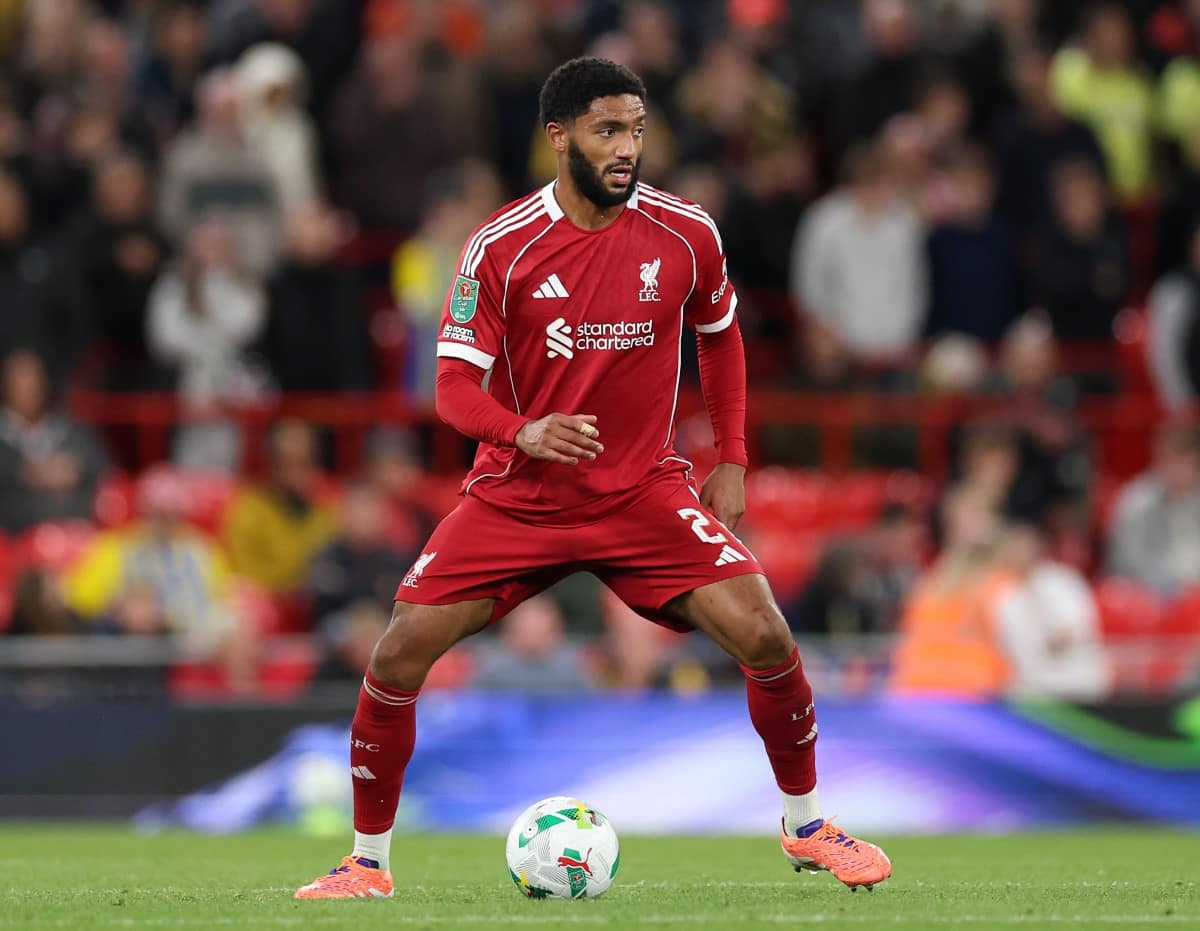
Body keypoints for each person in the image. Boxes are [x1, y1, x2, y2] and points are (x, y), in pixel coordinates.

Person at [295, 57, 891, 901]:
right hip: (519, 496)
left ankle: (806, 825)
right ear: (559, 136)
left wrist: (732, 457)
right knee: (398, 651)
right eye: (608, 130)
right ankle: (367, 861)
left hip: (642, 491)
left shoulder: (686, 233)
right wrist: (524, 430)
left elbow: (720, 333)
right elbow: (452, 388)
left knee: (766, 633)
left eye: (637, 130)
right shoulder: (500, 247)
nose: (627, 148)